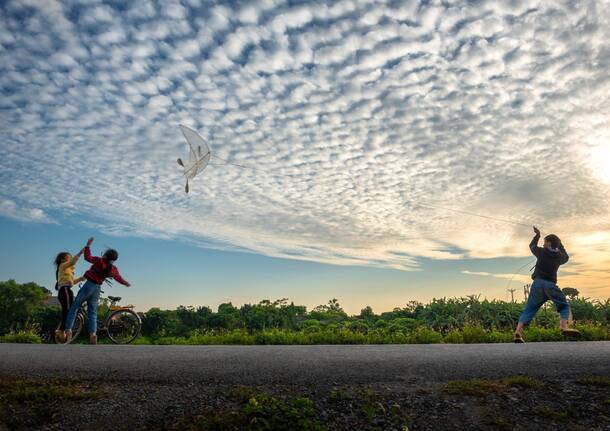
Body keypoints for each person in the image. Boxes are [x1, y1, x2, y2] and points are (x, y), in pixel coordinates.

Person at [514, 226, 580, 343]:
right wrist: (559, 244)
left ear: (549, 243)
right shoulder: (559, 257)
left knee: (529, 309)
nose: (543, 245)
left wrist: (537, 235)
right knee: (564, 306)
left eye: (545, 242)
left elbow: (532, 246)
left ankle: (518, 332)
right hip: (550, 285)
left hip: (537, 284)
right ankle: (563, 327)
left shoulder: (541, 252)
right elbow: (566, 257)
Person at [64, 237, 130, 344]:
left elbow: (87, 257)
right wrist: (126, 283)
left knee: (75, 306)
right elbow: (118, 278)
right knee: (92, 313)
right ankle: (93, 335)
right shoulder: (113, 269)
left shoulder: (99, 261)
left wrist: (88, 246)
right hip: (97, 289)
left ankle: (68, 330)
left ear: (105, 255)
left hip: (89, 285)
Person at [53, 249, 85, 342]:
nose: (70, 259)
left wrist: (80, 279)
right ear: (63, 260)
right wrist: (80, 253)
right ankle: (61, 330)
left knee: (68, 311)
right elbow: (72, 262)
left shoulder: (67, 270)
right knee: (67, 311)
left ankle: (62, 331)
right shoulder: (62, 266)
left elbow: (71, 282)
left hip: (67, 290)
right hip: (65, 290)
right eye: (69, 258)